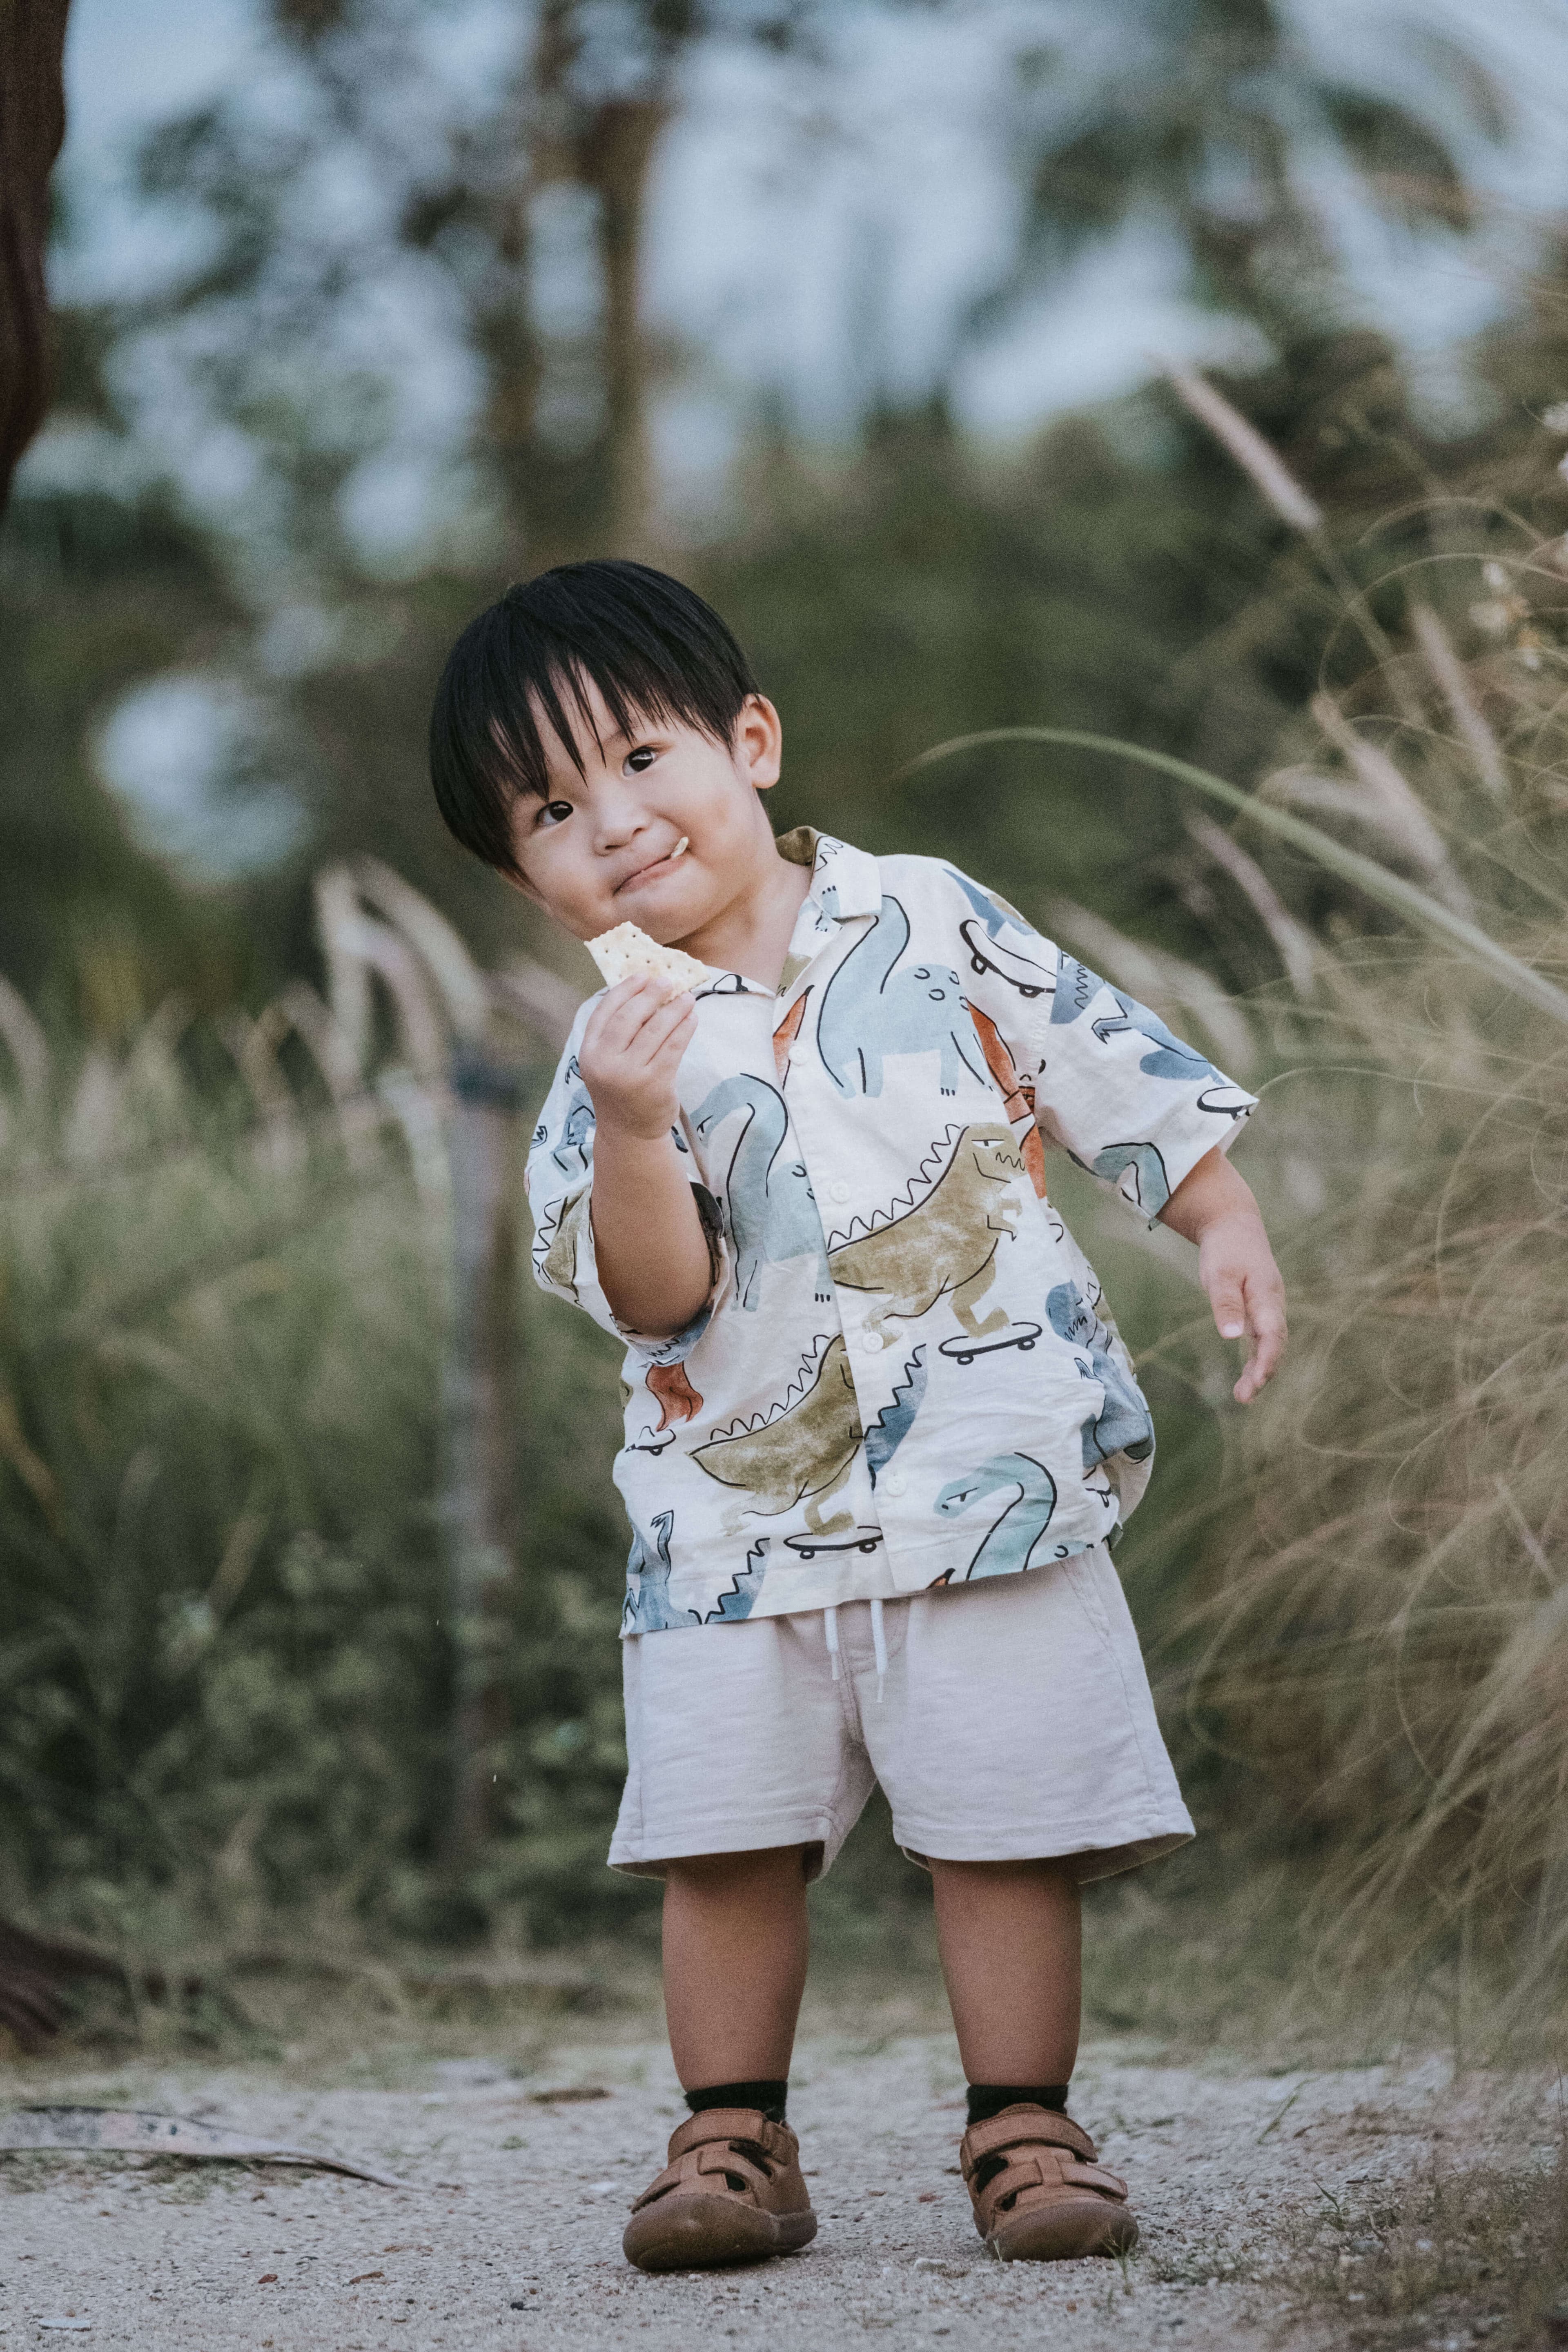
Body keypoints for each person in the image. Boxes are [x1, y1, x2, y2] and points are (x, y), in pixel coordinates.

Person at [428, 558, 1286, 2274]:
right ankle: (731, 2134)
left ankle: (1022, 2127)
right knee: (726, 1840)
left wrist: (1222, 1216)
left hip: (997, 1479)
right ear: (524, 877)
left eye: (640, 759)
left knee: (1007, 1827)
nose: (611, 822)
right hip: (733, 1519)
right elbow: (659, 1295)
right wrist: (633, 1125)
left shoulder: (928, 911)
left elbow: (1091, 1056)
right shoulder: (613, 1059)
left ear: (749, 741)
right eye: (549, 806)